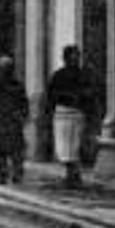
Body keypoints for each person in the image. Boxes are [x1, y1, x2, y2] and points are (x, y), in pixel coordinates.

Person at [47, 45, 91, 188]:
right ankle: (70, 174)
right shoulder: (58, 75)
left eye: (77, 57)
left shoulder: (83, 75)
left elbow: (89, 93)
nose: (75, 60)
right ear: (65, 58)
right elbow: (52, 95)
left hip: (77, 114)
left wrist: (82, 101)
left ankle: (74, 175)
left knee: (74, 146)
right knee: (64, 148)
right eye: (72, 57)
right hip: (62, 113)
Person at [0, 54, 29, 185]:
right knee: (16, 150)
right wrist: (22, 116)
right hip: (13, 120)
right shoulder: (18, 85)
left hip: (2, 120)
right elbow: (24, 104)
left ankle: (3, 175)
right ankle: (17, 174)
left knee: (1, 150)